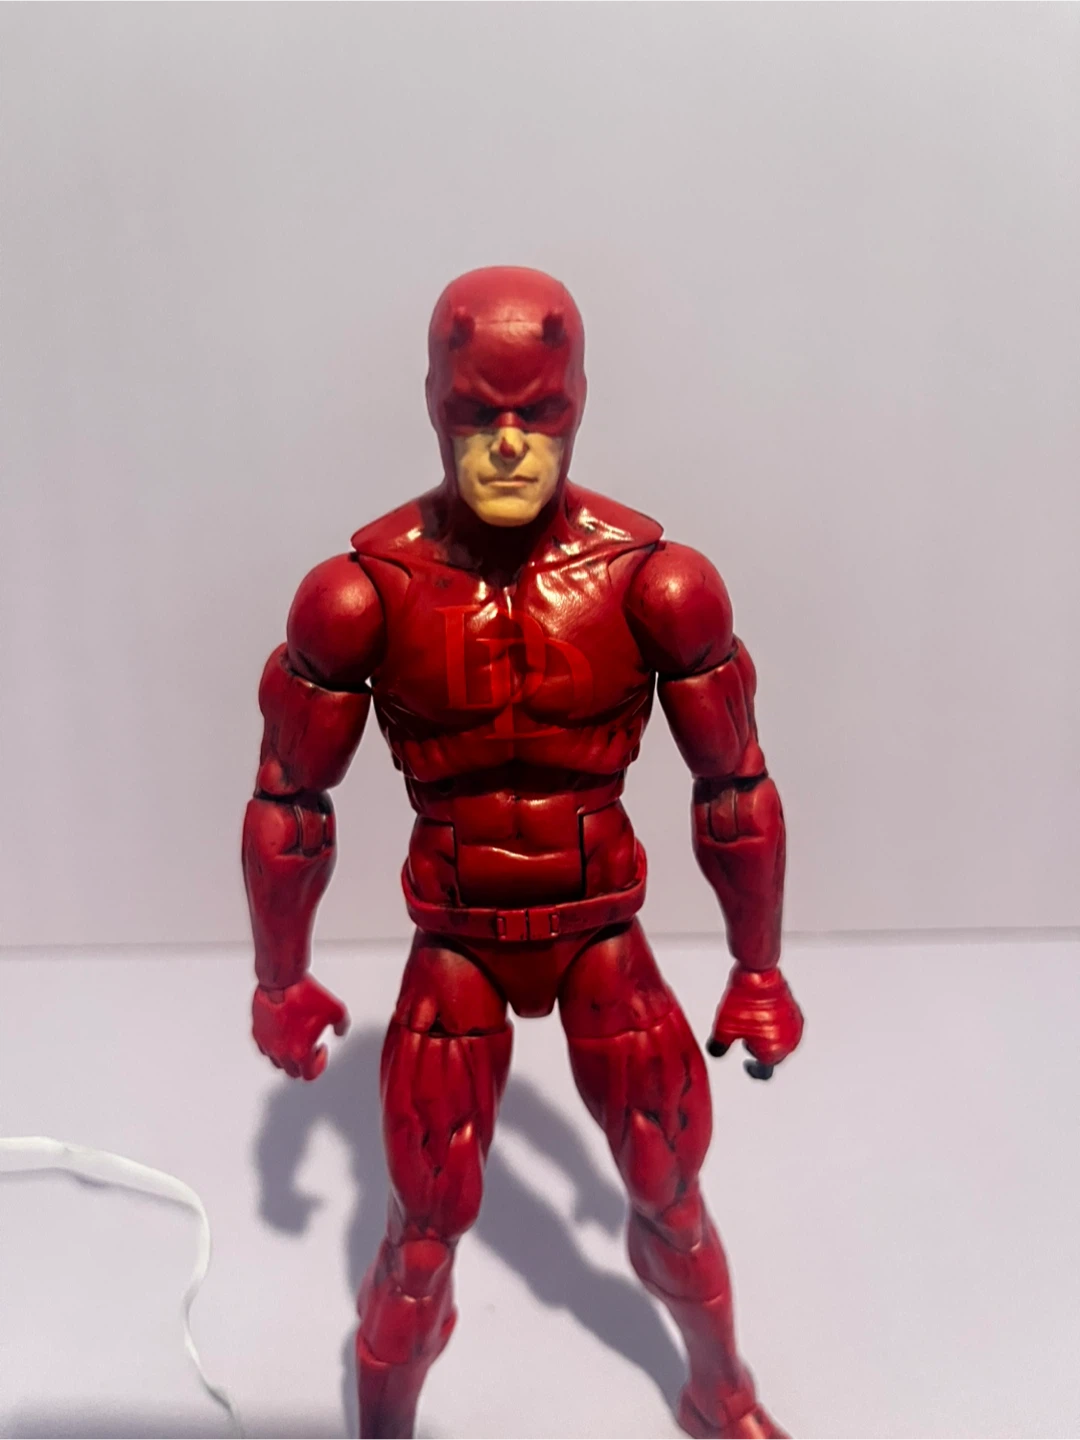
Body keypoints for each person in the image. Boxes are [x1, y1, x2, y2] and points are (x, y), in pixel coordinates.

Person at [243, 266, 805, 1440]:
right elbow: (291, 801)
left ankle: (720, 1391)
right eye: (477, 414)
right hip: (459, 941)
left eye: (536, 414)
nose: (507, 446)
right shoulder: (364, 594)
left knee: (671, 1194)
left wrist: (758, 969)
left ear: (577, 401)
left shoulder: (655, 583)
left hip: (600, 927)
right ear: (434, 405)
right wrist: (279, 979)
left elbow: (736, 788)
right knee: (421, 1236)